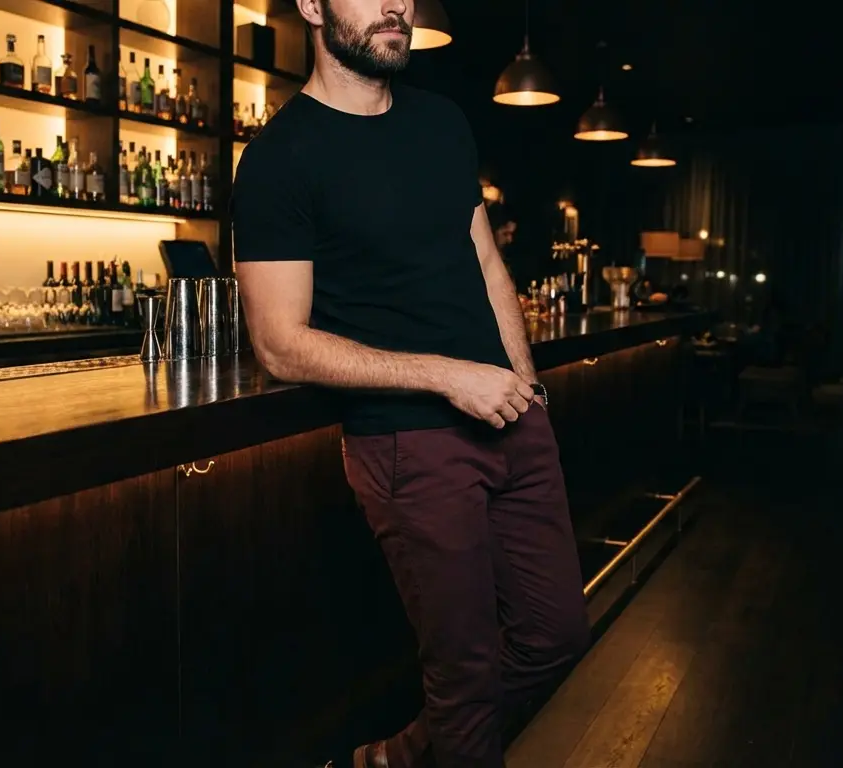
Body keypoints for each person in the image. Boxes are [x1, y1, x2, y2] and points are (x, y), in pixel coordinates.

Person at [229, 2, 588, 766]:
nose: (397, 4)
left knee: (557, 636)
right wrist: (447, 378)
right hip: (406, 439)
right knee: (465, 678)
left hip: (512, 419)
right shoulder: (279, 158)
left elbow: (487, 264)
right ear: (312, 6)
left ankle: (393, 760)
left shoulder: (442, 123)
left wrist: (528, 389)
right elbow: (279, 345)